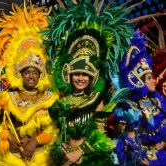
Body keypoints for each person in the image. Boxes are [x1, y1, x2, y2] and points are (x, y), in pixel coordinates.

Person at [43, 0, 136, 165]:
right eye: (76, 73)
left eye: (85, 74)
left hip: (89, 159)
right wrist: (61, 151)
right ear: (68, 75)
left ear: (92, 77)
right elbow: (58, 131)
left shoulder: (97, 101)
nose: (80, 78)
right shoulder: (62, 99)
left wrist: (78, 153)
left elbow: (99, 135)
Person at [0, 2, 59, 165]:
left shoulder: (50, 98)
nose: (31, 76)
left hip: (40, 157)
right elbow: (1, 125)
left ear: (41, 74)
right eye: (27, 72)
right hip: (13, 157)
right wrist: (8, 137)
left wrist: (35, 142)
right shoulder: (8, 97)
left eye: (35, 72)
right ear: (20, 74)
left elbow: (53, 130)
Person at [111, 31, 166, 166]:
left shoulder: (157, 99)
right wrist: (139, 155)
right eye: (148, 78)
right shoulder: (129, 106)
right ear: (138, 82)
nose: (153, 80)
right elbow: (125, 139)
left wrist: (164, 142)